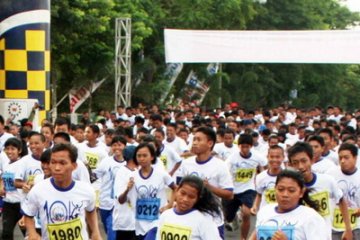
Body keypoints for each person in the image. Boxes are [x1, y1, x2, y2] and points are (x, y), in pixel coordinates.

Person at [21, 143, 102, 240]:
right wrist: (32, 233)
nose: (57, 168)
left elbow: (91, 210)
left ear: (74, 166)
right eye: (53, 162)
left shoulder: (86, 190)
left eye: (62, 163)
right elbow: (28, 214)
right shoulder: (38, 189)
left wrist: (96, 232)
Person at [287, 141, 352, 239]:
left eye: (304, 161)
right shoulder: (288, 188)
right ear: (290, 165)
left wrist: (348, 228)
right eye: (295, 163)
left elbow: (341, 200)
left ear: (312, 160)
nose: (300, 166)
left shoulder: (327, 181)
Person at [178, 126, 234, 239]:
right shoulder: (186, 164)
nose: (194, 143)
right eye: (194, 139)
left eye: (199, 140)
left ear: (210, 143)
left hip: (213, 219)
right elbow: (178, 188)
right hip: (189, 218)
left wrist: (209, 187)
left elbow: (229, 194)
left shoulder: (220, 165)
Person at [249, 169, 329, 240]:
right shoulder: (265, 211)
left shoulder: (311, 218)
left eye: (291, 190)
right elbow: (256, 235)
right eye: (280, 189)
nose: (285, 194)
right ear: (275, 189)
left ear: (301, 192)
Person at [118, 143, 176, 240]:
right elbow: (121, 200)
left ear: (152, 157)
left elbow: (176, 188)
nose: (141, 158)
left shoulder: (161, 175)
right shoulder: (132, 176)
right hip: (139, 223)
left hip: (157, 221)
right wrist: (127, 189)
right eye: (139, 156)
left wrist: (168, 206)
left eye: (145, 155)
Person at [224, 133, 266, 239]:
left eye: (247, 146)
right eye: (242, 146)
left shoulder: (257, 156)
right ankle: (233, 218)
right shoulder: (232, 158)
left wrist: (262, 175)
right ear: (239, 146)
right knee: (228, 217)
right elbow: (224, 172)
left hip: (248, 188)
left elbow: (265, 165)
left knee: (246, 213)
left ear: (251, 146)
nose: (245, 149)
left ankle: (243, 238)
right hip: (233, 189)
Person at [155, 175, 222, 240]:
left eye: (191, 197)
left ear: (197, 199)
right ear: (177, 190)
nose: (185, 199)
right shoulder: (165, 216)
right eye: (183, 193)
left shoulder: (204, 220)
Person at [93, 136, 127, 240]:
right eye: (114, 145)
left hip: (120, 203)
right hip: (105, 202)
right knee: (108, 230)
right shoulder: (106, 161)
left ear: (125, 146)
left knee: (112, 229)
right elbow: (95, 176)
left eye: (120, 145)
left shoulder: (128, 163)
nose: (117, 147)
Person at [328, 143, 360, 239]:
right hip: (334, 226)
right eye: (340, 158)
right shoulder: (331, 174)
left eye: (346, 158)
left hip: (356, 225)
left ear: (355, 158)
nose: (342, 161)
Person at [0, 138, 26, 239]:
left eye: (12, 149)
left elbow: (25, 182)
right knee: (6, 233)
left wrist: (19, 184)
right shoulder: (6, 164)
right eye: (7, 149)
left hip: (21, 204)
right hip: (8, 203)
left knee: (26, 231)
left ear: (19, 150)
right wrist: (1, 186)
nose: (9, 151)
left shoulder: (22, 164)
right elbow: (3, 178)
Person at [250, 145, 285, 215]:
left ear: (283, 158)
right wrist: (255, 206)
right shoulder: (260, 177)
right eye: (272, 157)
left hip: (283, 213)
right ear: (267, 157)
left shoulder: (288, 176)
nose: (274, 159)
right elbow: (259, 194)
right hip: (265, 214)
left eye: (277, 157)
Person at [113, 145, 138, 240]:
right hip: (124, 222)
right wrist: (127, 189)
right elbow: (120, 199)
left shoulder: (137, 172)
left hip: (136, 222)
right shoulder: (121, 172)